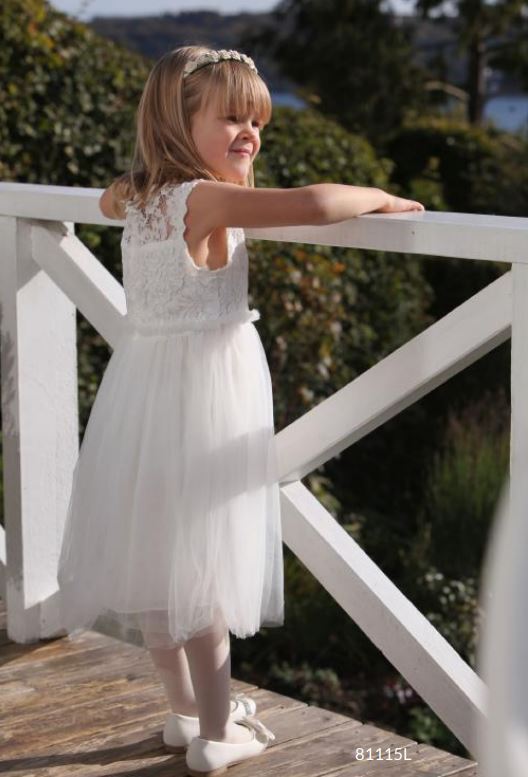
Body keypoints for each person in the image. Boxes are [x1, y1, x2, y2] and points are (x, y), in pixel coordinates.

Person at [57, 46, 425, 776]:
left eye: (257, 121)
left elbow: (104, 199)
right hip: (205, 401)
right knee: (204, 572)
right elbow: (315, 205)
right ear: (177, 120)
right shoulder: (205, 199)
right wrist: (381, 197)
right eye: (231, 118)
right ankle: (218, 732)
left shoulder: (137, 194)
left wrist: (144, 175)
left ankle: (183, 712)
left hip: (141, 394)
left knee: (159, 563)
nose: (250, 133)